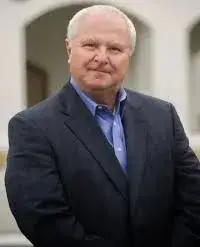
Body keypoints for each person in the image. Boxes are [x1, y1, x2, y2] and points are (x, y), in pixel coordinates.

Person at [4, 5, 200, 247]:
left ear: (129, 55)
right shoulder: (32, 127)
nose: (102, 57)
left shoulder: (163, 116)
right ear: (69, 49)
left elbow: (194, 198)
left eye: (115, 48)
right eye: (90, 45)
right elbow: (44, 220)